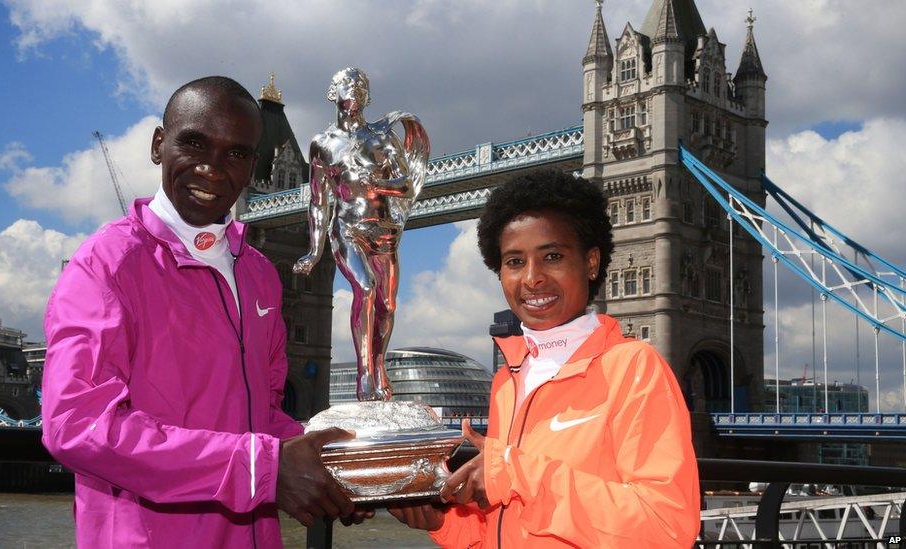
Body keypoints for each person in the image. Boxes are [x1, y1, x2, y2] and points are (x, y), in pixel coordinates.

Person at [42, 76, 366, 548]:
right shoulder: (105, 264)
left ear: (252, 166)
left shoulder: (258, 274)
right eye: (194, 143)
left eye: (235, 153)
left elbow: (261, 416)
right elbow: (77, 424)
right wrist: (264, 468)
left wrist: (338, 466)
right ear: (159, 144)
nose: (213, 170)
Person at [389, 169, 700, 547]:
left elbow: (664, 529)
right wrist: (441, 522)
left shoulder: (634, 368)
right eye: (514, 262)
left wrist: (515, 472)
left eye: (552, 256)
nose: (532, 278)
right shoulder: (508, 380)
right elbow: (505, 529)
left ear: (591, 262)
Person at [293, 67, 429, 401]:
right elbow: (318, 201)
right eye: (347, 84)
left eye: (362, 85)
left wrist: (377, 183)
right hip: (347, 228)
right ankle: (365, 375)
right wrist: (314, 250)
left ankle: (379, 365)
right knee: (365, 289)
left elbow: (406, 185)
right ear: (332, 93)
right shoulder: (321, 145)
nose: (356, 89)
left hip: (383, 231)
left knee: (387, 304)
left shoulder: (381, 137)